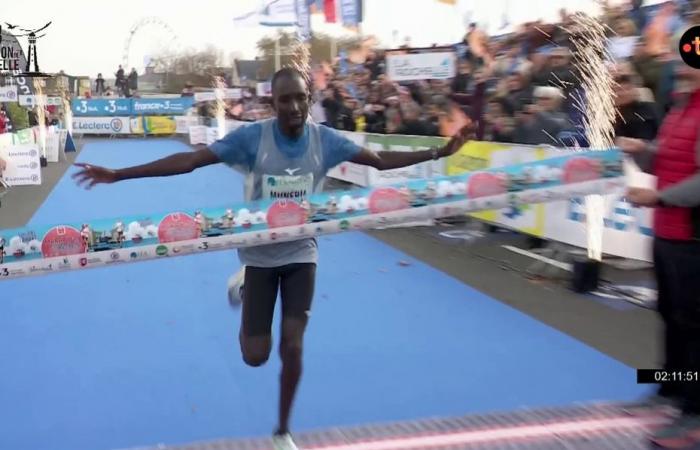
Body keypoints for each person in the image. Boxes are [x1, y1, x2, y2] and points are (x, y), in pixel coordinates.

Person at [72, 67, 472, 450]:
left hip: (302, 253)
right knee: (255, 356)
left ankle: (282, 431)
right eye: (285, 100)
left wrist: (440, 151)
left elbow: (381, 163)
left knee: (293, 346)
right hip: (259, 257)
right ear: (272, 104)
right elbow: (191, 161)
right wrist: (119, 174)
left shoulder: (325, 140)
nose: (294, 107)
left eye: (301, 98)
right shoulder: (251, 139)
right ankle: (244, 287)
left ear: (309, 99)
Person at [617, 53, 700, 449]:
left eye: (691, 64)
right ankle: (670, 389)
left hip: (692, 238)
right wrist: (639, 150)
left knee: (695, 325)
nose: (681, 70)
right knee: (670, 315)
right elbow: (665, 161)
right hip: (667, 234)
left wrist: (659, 197)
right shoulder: (679, 109)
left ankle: (695, 414)